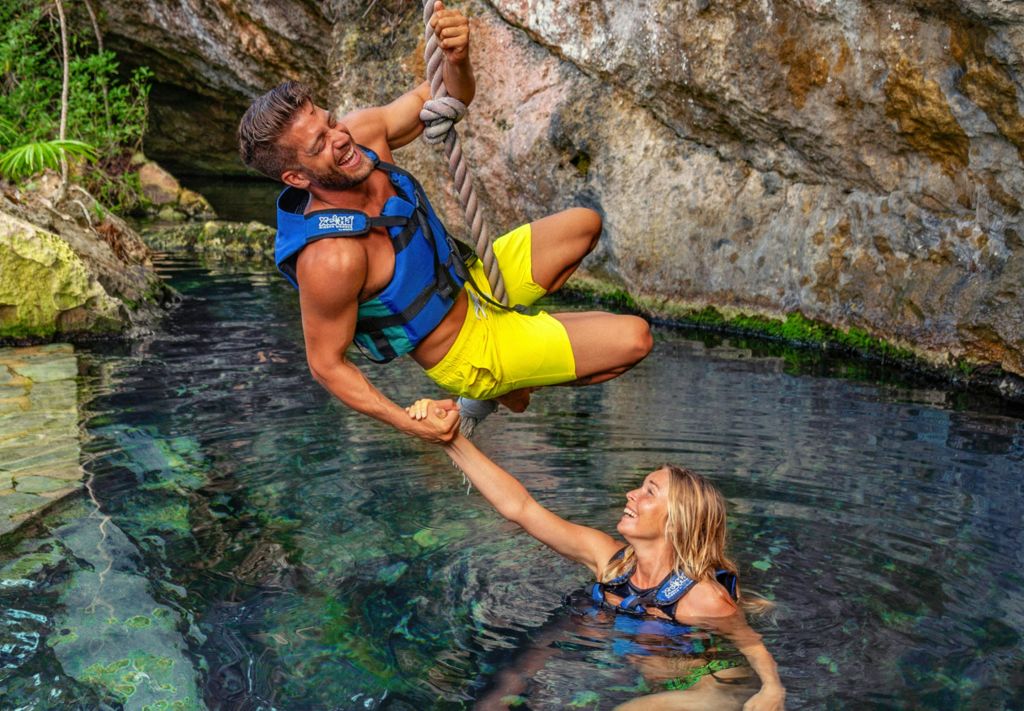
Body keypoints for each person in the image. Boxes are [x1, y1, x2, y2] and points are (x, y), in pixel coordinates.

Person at [237, 1, 652, 443]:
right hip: (468, 350)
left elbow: (444, 97)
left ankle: (522, 369)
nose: (340, 138)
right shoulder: (330, 259)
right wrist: (409, 423)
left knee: (584, 225)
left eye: (330, 121)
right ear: (296, 177)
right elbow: (326, 365)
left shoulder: (362, 133)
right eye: (320, 143)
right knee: (635, 337)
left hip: (471, 280)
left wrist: (457, 58)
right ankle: (504, 380)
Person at [405, 398, 787, 710]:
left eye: (649, 491)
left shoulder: (702, 597)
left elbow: (751, 645)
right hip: (655, 682)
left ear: (677, 522)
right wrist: (452, 440)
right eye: (639, 487)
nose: (631, 495)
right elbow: (522, 509)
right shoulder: (612, 562)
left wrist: (772, 689)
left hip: (710, 689)